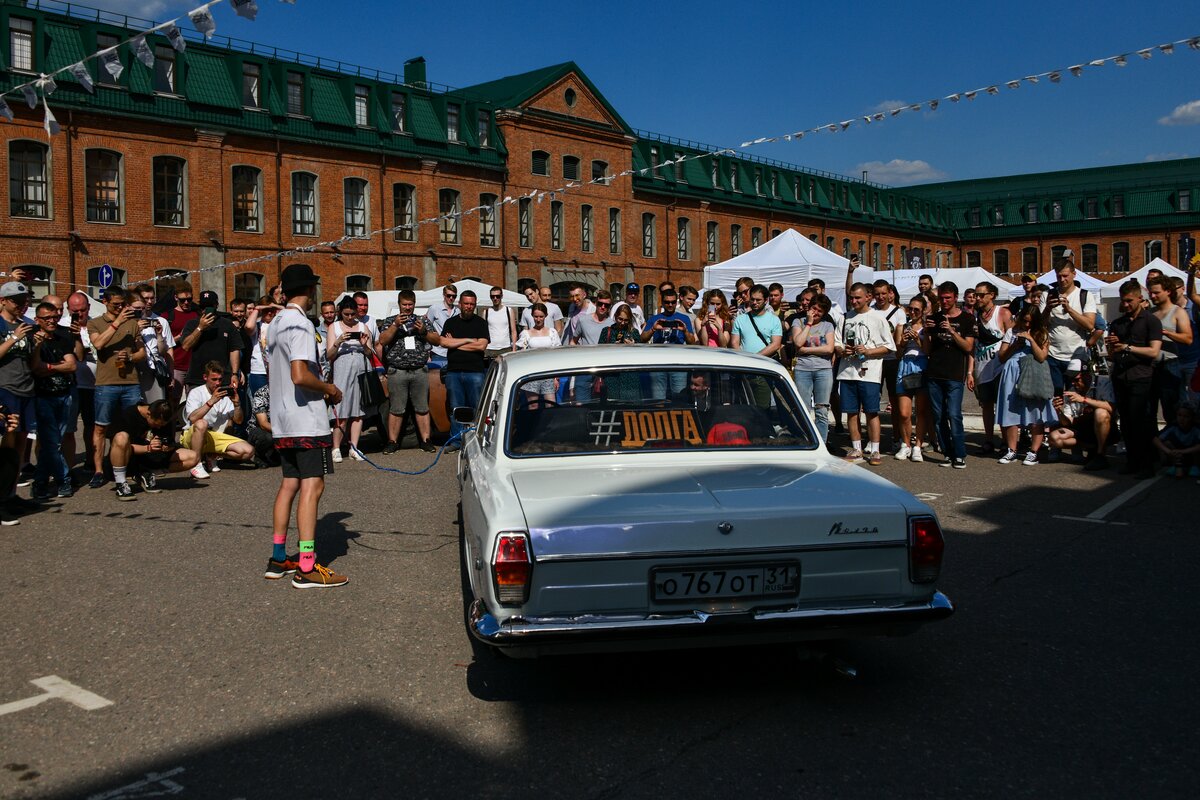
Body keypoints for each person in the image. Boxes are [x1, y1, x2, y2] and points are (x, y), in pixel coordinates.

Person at [267, 263, 346, 588]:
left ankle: (278, 556)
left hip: (283, 418)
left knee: (290, 484)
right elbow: (300, 374)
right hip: (306, 420)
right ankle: (307, 566)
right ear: (310, 290)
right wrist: (329, 389)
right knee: (313, 487)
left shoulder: (275, 323)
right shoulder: (299, 323)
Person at [87, 288, 146, 489]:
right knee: (101, 427)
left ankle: (129, 466)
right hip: (106, 383)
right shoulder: (94, 322)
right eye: (116, 304)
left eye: (123, 304)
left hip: (130, 383)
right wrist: (117, 322)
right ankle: (98, 470)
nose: (120, 307)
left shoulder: (133, 323)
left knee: (133, 427)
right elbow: (99, 344)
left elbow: (142, 353)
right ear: (105, 302)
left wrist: (130, 357)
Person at [1106, 280, 1163, 479]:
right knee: (1127, 423)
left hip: (1142, 376)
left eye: (1130, 300)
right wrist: (1112, 347)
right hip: (1121, 376)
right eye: (1123, 301)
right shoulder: (1118, 323)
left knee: (1142, 422)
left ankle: (1147, 464)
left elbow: (1154, 351)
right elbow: (1112, 354)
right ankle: (1132, 461)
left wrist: (1127, 347)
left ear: (1140, 298)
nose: (1126, 305)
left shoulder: (1151, 321)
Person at [833, 283, 895, 465]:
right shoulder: (844, 318)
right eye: (852, 298)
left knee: (871, 411)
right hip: (847, 372)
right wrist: (843, 351)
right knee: (851, 412)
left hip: (869, 373)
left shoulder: (878, 318)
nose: (854, 301)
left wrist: (868, 351)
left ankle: (875, 449)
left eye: (858, 298)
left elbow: (889, 347)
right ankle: (856, 448)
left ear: (868, 297)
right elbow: (837, 344)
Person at [29, 301, 80, 500]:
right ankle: (62, 479)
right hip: (43, 396)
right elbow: (34, 367)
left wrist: (48, 367)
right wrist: (40, 350)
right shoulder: (32, 337)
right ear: (37, 320)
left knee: (54, 442)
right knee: (51, 442)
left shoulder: (63, 336)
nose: (51, 321)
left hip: (64, 394)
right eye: (46, 318)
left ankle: (41, 482)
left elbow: (72, 366)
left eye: (54, 317)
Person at [924, 282, 978, 469]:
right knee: (938, 416)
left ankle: (960, 454)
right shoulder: (935, 317)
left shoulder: (967, 319)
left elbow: (969, 347)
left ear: (956, 297)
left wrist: (952, 331)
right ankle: (947, 453)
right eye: (941, 298)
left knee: (954, 415)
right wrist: (925, 331)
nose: (944, 301)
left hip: (955, 374)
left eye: (948, 298)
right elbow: (927, 349)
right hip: (934, 372)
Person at [995, 303, 1056, 465]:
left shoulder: (1042, 333)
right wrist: (1015, 345)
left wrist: (1030, 339)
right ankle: (1011, 450)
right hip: (1012, 371)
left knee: (1036, 412)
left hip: (1034, 372)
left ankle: (1033, 451)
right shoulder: (1011, 332)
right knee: (1011, 412)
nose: (1026, 324)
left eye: (1030, 322)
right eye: (1024, 320)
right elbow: (1001, 357)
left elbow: (1042, 356)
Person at [377, 289, 436, 454]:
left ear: (414, 304)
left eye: (410, 304)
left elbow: (436, 340)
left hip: (419, 370)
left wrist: (423, 331)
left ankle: (426, 440)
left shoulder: (422, 321)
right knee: (396, 409)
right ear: (399, 304)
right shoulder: (390, 321)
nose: (408, 308)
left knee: (422, 407)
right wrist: (395, 325)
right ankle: (392, 442)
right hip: (398, 371)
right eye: (404, 304)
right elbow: (382, 340)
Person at [107, 399, 200, 501]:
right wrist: (148, 448)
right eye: (156, 424)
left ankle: (147, 474)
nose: (159, 427)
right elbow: (119, 446)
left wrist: (167, 446)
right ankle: (121, 484)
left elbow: (170, 442)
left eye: (162, 425)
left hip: (151, 458)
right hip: (128, 460)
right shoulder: (128, 415)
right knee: (121, 437)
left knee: (193, 457)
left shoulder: (163, 416)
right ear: (148, 414)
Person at [435, 290, 489, 451]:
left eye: (472, 304)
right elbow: (443, 342)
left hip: (475, 371)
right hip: (454, 371)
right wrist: (467, 341)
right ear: (460, 304)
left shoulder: (481, 323)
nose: (469, 307)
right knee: (456, 408)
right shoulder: (451, 323)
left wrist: (455, 343)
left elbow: (482, 345)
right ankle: (456, 441)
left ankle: (476, 439)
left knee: (475, 408)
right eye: (466, 303)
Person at [182, 361, 254, 476]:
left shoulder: (225, 395)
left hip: (214, 437)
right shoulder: (196, 392)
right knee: (201, 423)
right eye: (214, 379)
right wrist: (211, 401)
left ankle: (210, 455)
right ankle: (196, 463)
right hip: (193, 435)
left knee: (248, 451)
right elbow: (192, 418)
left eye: (220, 379)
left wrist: (237, 404)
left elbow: (238, 420)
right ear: (205, 377)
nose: (218, 383)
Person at [326, 296, 373, 462]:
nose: (350, 317)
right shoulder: (334, 327)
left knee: (358, 411)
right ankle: (336, 448)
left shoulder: (362, 326)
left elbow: (370, 354)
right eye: (346, 314)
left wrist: (364, 344)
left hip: (360, 366)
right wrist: (338, 341)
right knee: (341, 409)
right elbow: (329, 355)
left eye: (353, 314)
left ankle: (354, 446)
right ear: (341, 313)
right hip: (341, 368)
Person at [1049, 359, 1117, 471]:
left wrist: (1084, 400)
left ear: (1086, 375)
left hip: (1106, 427)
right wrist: (1058, 411)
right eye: (1071, 379)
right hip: (1082, 428)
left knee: (1101, 412)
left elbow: (1111, 407)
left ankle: (1100, 455)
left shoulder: (1103, 383)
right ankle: (1091, 447)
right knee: (1054, 438)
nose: (1073, 383)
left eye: (1076, 379)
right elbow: (1067, 423)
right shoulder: (1071, 391)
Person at [969, 282, 1011, 455]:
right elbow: (972, 347)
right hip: (981, 366)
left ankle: (1006, 441)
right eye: (976, 295)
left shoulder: (1003, 313)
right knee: (986, 405)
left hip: (1000, 367)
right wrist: (970, 372)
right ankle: (988, 439)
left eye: (981, 295)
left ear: (991, 295)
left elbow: (1014, 338)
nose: (977, 298)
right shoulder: (974, 315)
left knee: (1003, 405)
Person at [0, 281, 36, 485]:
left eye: (24, 300)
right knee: (7, 440)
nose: (21, 304)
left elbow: (31, 361)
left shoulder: (26, 324)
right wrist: (14, 337)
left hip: (26, 388)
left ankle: (11, 489)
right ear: (3, 301)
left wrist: (37, 346)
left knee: (22, 441)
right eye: (16, 301)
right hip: (5, 388)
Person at [1044, 261, 1097, 393]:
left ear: (1074, 274)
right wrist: (1047, 308)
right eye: (1058, 276)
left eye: (1065, 276)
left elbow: (1090, 325)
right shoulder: (1047, 295)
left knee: (1074, 396)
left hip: (1076, 356)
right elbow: (1040, 325)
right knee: (1054, 397)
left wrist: (1069, 310)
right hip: (1052, 355)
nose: (1062, 280)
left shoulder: (1085, 295)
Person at [791, 295, 836, 444]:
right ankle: (803, 440)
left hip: (823, 369)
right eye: (813, 308)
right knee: (802, 408)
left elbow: (829, 349)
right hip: (803, 369)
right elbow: (798, 342)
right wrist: (809, 324)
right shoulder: (798, 321)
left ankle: (822, 442)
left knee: (822, 409)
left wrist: (805, 350)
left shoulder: (827, 325)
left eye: (819, 311)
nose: (815, 313)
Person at [1148, 275, 1192, 426]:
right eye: (1151, 293)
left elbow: (1188, 339)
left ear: (1167, 291)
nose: (1153, 296)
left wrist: (1166, 333)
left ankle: (1173, 442)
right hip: (1149, 365)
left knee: (1171, 409)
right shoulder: (1150, 313)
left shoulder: (1178, 312)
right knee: (1148, 409)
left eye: (1156, 293)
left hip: (1170, 365)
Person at [63, 291, 97, 479]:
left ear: (89, 308)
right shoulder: (61, 325)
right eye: (75, 310)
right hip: (72, 385)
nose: (79, 314)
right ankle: (66, 467)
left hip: (93, 385)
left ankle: (91, 462)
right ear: (68, 309)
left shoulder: (95, 324)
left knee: (92, 426)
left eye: (83, 310)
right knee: (67, 429)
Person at [178, 291, 241, 394]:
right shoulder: (192, 323)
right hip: (197, 378)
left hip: (222, 378)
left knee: (223, 409)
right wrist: (200, 328)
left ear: (216, 305)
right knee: (196, 409)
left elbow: (234, 349)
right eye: (203, 306)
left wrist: (234, 373)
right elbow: (185, 346)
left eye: (209, 306)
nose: (206, 309)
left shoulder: (227, 324)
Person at [893, 294, 932, 462]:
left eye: (917, 309)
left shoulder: (926, 327)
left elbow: (929, 351)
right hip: (905, 365)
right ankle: (906, 444)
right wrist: (902, 342)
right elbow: (898, 353)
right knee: (904, 413)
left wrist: (918, 340)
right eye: (911, 309)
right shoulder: (903, 326)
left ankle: (918, 445)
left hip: (922, 365)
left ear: (923, 311)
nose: (913, 312)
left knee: (922, 411)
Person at [642, 290, 696, 399]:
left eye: (673, 302)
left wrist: (684, 331)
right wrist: (653, 329)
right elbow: (642, 338)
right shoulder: (654, 318)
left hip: (678, 363)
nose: (670, 305)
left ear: (676, 302)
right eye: (667, 302)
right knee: (658, 399)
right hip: (658, 363)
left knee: (679, 397)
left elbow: (692, 342)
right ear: (662, 302)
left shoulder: (684, 318)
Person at [127, 295, 172, 405]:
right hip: (132, 370)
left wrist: (159, 334)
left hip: (151, 370)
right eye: (136, 308)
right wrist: (136, 330)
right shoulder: (124, 324)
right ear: (128, 307)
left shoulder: (151, 322)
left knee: (155, 407)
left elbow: (162, 352)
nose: (140, 311)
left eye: (142, 308)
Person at [516, 303, 563, 407]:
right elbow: (521, 356)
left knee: (550, 404)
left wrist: (556, 377)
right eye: (536, 316)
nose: (538, 319)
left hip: (548, 373)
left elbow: (557, 355)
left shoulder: (552, 332)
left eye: (541, 316)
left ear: (545, 316)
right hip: (532, 373)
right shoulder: (526, 333)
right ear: (532, 316)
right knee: (533, 405)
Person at [164, 286, 199, 405]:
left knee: (195, 402)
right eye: (182, 300)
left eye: (189, 299)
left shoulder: (197, 314)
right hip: (176, 365)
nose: (186, 302)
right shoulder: (167, 316)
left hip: (194, 366)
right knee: (173, 401)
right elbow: (164, 343)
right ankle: (171, 424)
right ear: (175, 298)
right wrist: (180, 336)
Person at [1153, 404, 1200, 478]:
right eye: (1179, 415)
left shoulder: (1196, 428)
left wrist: (1183, 451)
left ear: (1192, 418)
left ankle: (1195, 466)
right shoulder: (1173, 426)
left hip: (1191, 454)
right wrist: (1169, 451)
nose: (1182, 419)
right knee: (1166, 443)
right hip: (1177, 454)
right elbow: (1156, 439)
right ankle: (1176, 465)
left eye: (1186, 417)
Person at [244, 383, 279, 468]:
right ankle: (259, 456)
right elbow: (263, 423)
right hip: (259, 429)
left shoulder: (288, 391)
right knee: (267, 437)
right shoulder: (261, 393)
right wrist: (282, 432)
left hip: (280, 428)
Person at [482, 286, 518, 360]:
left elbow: (513, 331)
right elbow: (483, 332)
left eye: (497, 296)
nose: (495, 298)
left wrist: (514, 349)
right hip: (490, 349)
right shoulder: (486, 312)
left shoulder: (509, 310)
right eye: (492, 296)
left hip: (506, 348)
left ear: (501, 296)